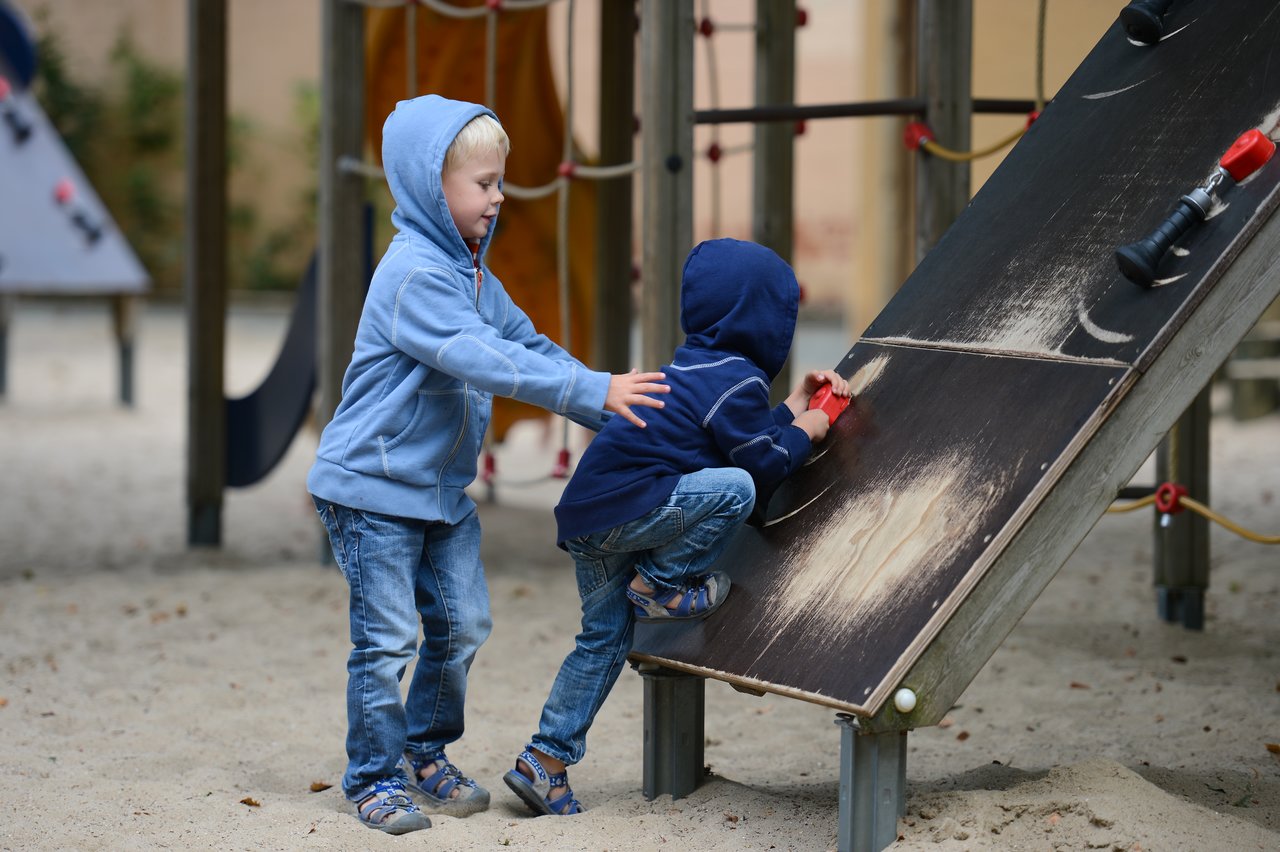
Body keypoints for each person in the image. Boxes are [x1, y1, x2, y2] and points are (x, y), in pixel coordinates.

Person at [307, 94, 669, 835]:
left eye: (500, 182)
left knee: (464, 624)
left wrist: (606, 404)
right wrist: (591, 389)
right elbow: (487, 361)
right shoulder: (413, 276)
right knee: (386, 641)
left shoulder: (472, 274)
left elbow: (527, 345)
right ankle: (372, 778)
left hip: (438, 493)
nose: (499, 198)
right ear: (427, 187)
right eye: (483, 184)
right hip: (372, 490)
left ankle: (421, 750)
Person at [503, 237, 852, 816]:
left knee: (604, 638)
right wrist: (812, 426)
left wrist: (792, 406)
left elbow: (740, 433)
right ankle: (664, 582)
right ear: (765, 321)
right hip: (625, 511)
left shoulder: (700, 370)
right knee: (735, 489)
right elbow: (759, 461)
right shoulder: (735, 381)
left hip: (589, 515)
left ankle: (545, 761)